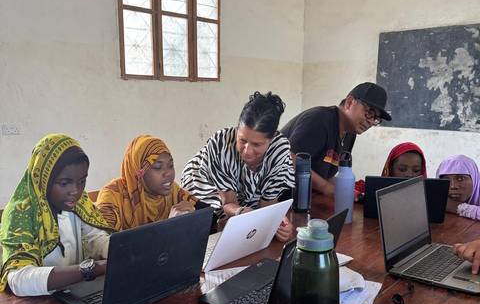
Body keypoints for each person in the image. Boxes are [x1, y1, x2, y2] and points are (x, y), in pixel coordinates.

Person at [0, 134, 112, 297]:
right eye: (64, 183)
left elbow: (95, 238)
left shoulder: (78, 202)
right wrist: (91, 269)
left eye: (82, 181)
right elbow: (19, 279)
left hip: (75, 296)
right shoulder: (20, 213)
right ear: (44, 179)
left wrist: (122, 253)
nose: (76, 191)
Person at [181, 91, 295, 241]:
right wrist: (241, 212)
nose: (247, 151)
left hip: (245, 200)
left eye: (257, 144)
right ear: (237, 129)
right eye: (242, 140)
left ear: (272, 138)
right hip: (208, 189)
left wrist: (279, 225)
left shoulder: (279, 151)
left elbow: (268, 205)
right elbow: (228, 203)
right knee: (219, 227)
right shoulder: (221, 145)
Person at [281, 82, 391, 196]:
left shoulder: (350, 133)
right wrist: (326, 187)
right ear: (349, 103)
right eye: (369, 113)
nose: (371, 122)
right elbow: (289, 159)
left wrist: (348, 190)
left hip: (304, 197)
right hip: (276, 197)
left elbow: (324, 175)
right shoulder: (319, 120)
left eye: (376, 119)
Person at [96, 135, 197, 231]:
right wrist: (168, 227)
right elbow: (106, 245)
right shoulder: (111, 196)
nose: (169, 173)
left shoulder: (172, 191)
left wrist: (196, 217)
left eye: (170, 165)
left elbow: (208, 215)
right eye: (158, 167)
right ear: (139, 171)